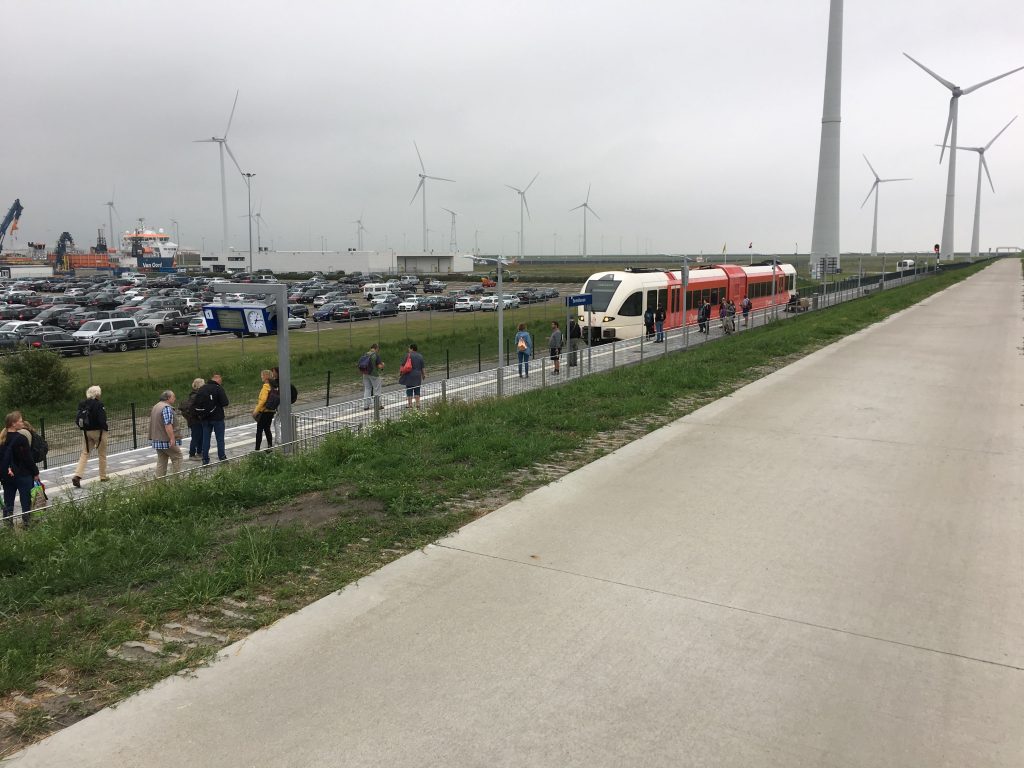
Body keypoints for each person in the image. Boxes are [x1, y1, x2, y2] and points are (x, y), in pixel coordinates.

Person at [0, 411, 40, 528]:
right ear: (13, 423)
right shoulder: (21, 439)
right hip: (23, 475)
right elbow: (28, 458)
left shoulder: (2, 438)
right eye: (20, 421)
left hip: (7, 476)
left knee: (8, 501)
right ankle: (27, 524)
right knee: (26, 500)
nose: (22, 422)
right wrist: (35, 472)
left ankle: (8, 525)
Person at [72, 384, 109, 487]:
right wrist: (105, 428)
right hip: (99, 432)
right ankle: (103, 476)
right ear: (98, 394)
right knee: (102, 454)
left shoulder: (82, 403)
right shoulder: (99, 404)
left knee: (85, 453)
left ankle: (77, 475)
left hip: (86, 432)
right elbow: (102, 419)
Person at [197, 373, 229, 465]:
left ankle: (205, 459)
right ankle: (222, 457)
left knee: (206, 438)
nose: (221, 382)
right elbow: (225, 403)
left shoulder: (202, 388)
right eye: (221, 380)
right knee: (220, 439)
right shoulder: (218, 388)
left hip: (205, 418)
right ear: (217, 379)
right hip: (217, 418)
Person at [150, 390, 183, 478]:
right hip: (166, 439)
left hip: (157, 439)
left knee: (162, 460)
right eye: (173, 397)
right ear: (168, 398)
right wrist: (172, 438)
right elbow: (167, 424)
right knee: (177, 456)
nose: (175, 399)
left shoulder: (156, 406)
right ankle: (176, 481)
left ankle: (159, 484)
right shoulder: (166, 408)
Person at [181, 377, 205, 461]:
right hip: (195, 420)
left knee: (200, 436)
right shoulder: (196, 396)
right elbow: (193, 408)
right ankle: (192, 454)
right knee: (196, 436)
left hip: (196, 420)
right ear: (200, 385)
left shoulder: (194, 394)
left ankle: (199, 452)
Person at [252, 369, 277, 450]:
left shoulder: (266, 387)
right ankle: (270, 447)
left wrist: (256, 411)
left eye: (262, 375)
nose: (261, 377)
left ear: (266, 376)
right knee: (267, 429)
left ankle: (257, 449)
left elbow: (263, 400)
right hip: (271, 411)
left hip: (264, 411)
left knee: (259, 430)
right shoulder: (273, 386)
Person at [398, 343, 426, 409]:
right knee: (417, 390)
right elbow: (422, 367)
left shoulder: (408, 356)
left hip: (409, 375)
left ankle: (410, 405)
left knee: (409, 390)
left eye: (409, 348)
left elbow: (402, 365)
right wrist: (423, 375)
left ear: (412, 349)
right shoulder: (420, 356)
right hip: (417, 376)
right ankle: (418, 404)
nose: (408, 349)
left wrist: (401, 372)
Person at [361, 343, 384, 410]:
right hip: (374, 374)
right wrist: (383, 365)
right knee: (377, 389)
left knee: (367, 389)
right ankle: (378, 405)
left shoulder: (365, 354)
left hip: (365, 373)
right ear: (376, 348)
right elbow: (379, 366)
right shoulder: (375, 355)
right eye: (378, 349)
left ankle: (366, 406)